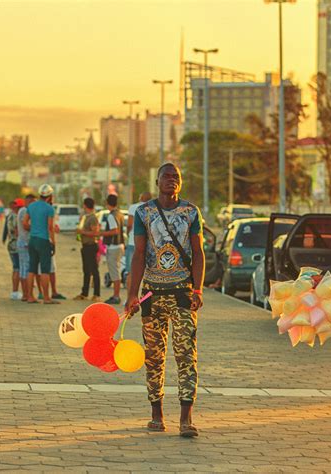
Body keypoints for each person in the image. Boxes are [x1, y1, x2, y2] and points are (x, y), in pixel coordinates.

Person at [126, 163, 205, 438]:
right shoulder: (143, 212)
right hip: (152, 294)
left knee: (186, 355)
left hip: (182, 292)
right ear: (157, 180)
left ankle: (186, 418)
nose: (171, 180)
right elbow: (138, 254)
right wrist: (131, 295)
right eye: (166, 176)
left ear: (180, 182)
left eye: (176, 177)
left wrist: (198, 290)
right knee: (154, 357)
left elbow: (198, 252)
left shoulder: (191, 212)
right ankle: (156, 415)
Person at [23, 184, 58, 304]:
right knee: (45, 270)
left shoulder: (31, 206)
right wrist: (53, 242)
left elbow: (25, 222)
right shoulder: (49, 209)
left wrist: (34, 229)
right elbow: (50, 227)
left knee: (31, 269)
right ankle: (46, 297)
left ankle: (30, 296)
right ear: (50, 196)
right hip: (43, 241)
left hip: (32, 239)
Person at [74, 197, 101, 302]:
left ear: (85, 205)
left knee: (94, 270)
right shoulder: (85, 217)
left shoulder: (93, 218)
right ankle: (84, 293)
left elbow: (95, 233)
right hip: (85, 246)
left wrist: (82, 232)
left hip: (91, 246)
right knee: (86, 270)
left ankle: (96, 294)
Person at [100, 194, 125, 305]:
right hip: (120, 245)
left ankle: (116, 296)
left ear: (107, 203)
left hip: (113, 246)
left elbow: (114, 231)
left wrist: (101, 233)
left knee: (114, 272)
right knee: (117, 270)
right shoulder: (120, 214)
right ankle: (116, 295)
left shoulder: (111, 216)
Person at [126, 192, 152, 294]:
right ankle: (145, 297)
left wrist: (128, 234)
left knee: (131, 271)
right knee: (149, 272)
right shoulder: (152, 207)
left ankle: (131, 296)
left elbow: (129, 224)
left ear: (140, 197)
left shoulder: (133, 207)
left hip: (133, 242)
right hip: (149, 243)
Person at [3, 199, 24, 300]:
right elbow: (16, 232)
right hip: (16, 245)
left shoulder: (10, 216)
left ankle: (15, 291)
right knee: (18, 269)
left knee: (16, 268)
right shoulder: (15, 217)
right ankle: (15, 292)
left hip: (11, 244)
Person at [17, 194, 35, 302]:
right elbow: (26, 225)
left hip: (23, 242)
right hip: (25, 243)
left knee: (24, 269)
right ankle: (27, 294)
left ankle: (25, 294)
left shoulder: (23, 210)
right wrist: (38, 227)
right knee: (26, 269)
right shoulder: (25, 211)